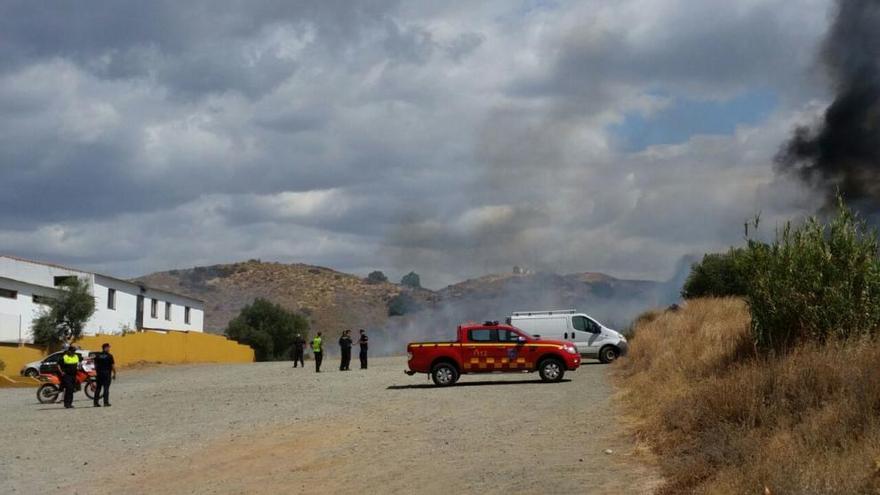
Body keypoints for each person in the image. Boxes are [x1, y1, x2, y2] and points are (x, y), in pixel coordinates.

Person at [92, 343, 116, 407]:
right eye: (108, 347)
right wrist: (114, 373)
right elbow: (112, 365)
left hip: (99, 374)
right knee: (106, 388)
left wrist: (96, 371)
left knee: (98, 388)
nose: (109, 349)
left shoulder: (98, 355)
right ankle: (106, 402)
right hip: (106, 374)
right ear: (106, 348)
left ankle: (95, 403)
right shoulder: (109, 356)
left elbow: (95, 364)